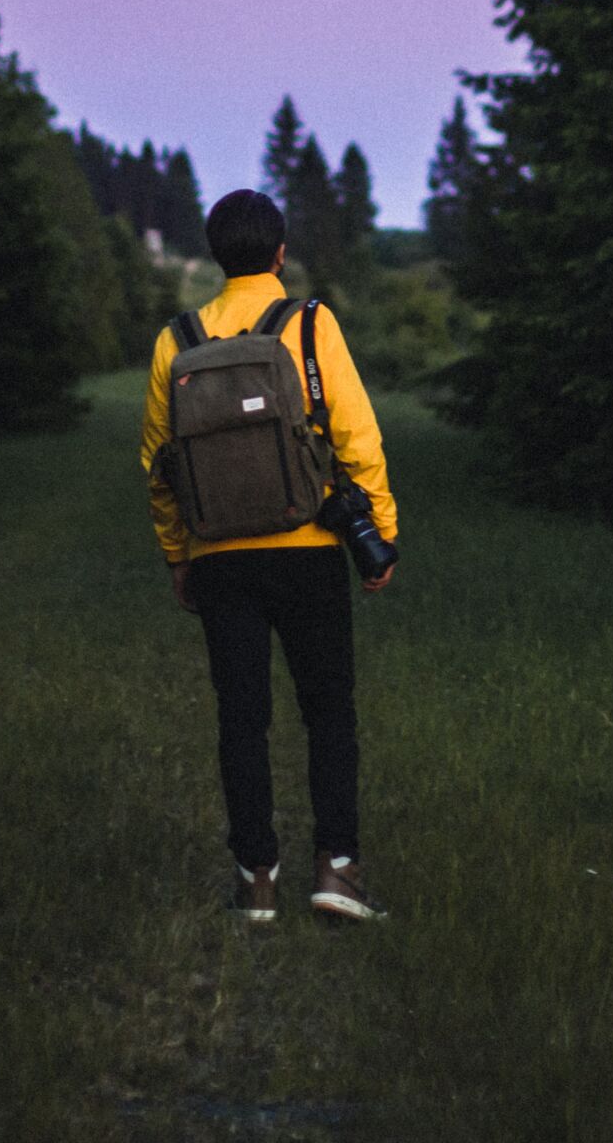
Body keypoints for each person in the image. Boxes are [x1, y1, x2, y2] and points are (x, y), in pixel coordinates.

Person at [140, 186, 398, 924]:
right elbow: (358, 439)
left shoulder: (178, 340)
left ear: (220, 258)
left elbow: (159, 465)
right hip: (310, 548)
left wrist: (178, 555)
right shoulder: (311, 325)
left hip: (221, 557)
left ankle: (257, 879)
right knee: (329, 714)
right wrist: (379, 538)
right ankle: (336, 873)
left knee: (241, 719)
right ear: (280, 252)